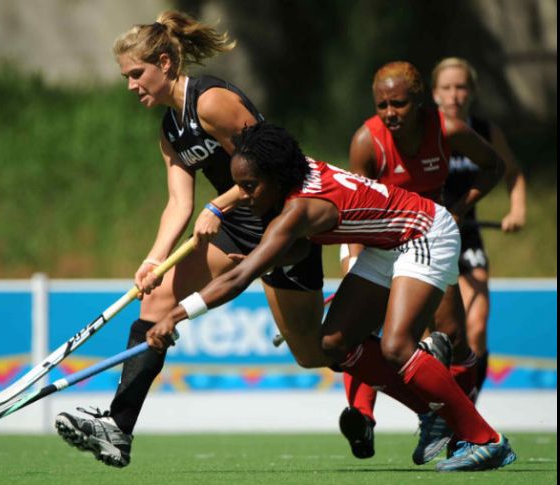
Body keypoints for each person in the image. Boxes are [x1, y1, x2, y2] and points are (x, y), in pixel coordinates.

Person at [146, 122, 517, 472]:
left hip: (424, 233)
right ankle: (432, 409)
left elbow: (239, 278)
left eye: (249, 186)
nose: (242, 196)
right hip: (388, 244)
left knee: (396, 346)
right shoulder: (293, 174)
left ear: (275, 178)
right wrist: (265, 258)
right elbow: (297, 248)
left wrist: (175, 315)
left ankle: (487, 440)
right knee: (334, 344)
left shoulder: (298, 208)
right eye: (238, 185)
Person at [53, 11, 325, 468]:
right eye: (125, 77)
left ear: (164, 63)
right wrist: (153, 261)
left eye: (136, 74)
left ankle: (405, 356)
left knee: (315, 353)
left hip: (282, 226)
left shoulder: (212, 102)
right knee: (156, 300)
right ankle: (118, 428)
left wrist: (218, 206)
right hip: (237, 227)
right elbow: (178, 203)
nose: (131, 85)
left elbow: (273, 165)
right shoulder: (170, 131)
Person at [339, 61, 508, 464]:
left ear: (419, 101)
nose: (390, 113)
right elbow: (355, 210)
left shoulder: (447, 130)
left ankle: (460, 435)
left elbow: (494, 166)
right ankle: (365, 414)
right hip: (379, 241)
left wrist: (461, 206)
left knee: (455, 339)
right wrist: (354, 264)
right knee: (355, 335)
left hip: (431, 239)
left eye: (398, 104)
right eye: (382, 105)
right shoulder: (367, 142)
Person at [431, 57, 527, 398]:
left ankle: (468, 407)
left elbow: (512, 172)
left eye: (461, 87)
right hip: (428, 240)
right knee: (437, 336)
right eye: (446, 88)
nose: (453, 95)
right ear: (434, 93)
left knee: (476, 328)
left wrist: (517, 210)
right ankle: (438, 408)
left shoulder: (485, 132)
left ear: (470, 92)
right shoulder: (425, 131)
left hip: (467, 236)